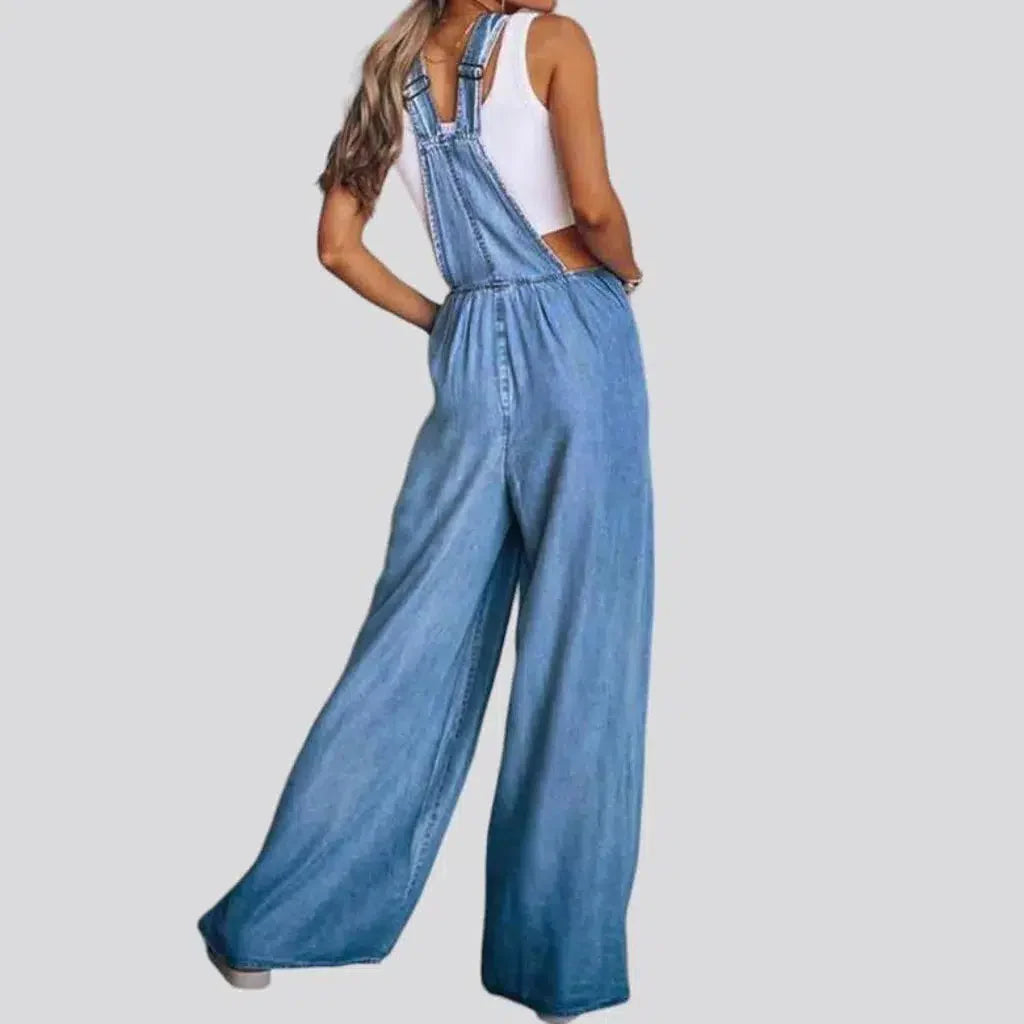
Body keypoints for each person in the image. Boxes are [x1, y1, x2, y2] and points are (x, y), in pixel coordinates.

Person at [197, 1, 654, 1020]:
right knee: (586, 646)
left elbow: (336, 247)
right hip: (578, 337)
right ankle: (559, 968)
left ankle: (265, 927)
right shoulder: (554, 42)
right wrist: (624, 269)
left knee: (410, 639)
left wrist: (446, 319)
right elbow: (592, 204)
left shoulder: (390, 72)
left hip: (469, 348)